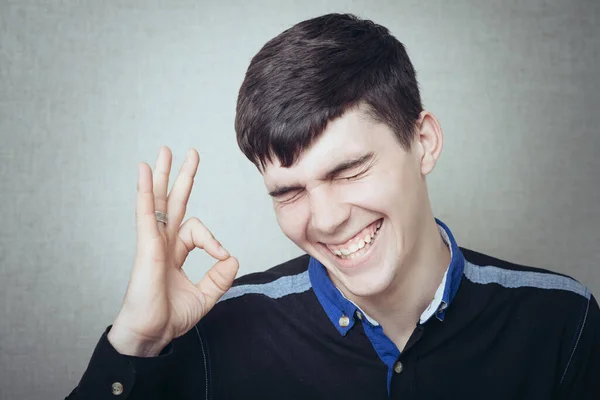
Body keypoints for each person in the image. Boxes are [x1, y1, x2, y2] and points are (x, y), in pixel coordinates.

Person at [66, 13, 599, 400]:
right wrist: (135, 340)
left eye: (349, 171)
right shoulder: (213, 333)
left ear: (425, 143)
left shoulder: (562, 323)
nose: (324, 220)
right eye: (288, 192)